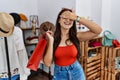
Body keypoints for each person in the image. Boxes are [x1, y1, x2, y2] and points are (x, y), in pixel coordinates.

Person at [43, 8, 102, 80]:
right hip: (60, 74)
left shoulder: (76, 36)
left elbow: (98, 31)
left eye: (71, 19)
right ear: (59, 20)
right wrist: (51, 41)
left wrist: (77, 18)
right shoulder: (51, 38)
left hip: (76, 71)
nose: (68, 20)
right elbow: (47, 63)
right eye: (65, 17)